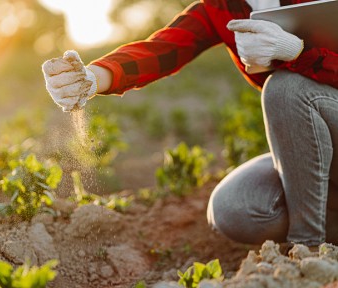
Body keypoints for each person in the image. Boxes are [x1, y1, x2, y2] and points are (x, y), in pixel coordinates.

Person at [42, 0, 338, 248]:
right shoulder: (221, 7)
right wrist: (92, 78)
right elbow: (162, 49)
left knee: (286, 89)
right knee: (237, 208)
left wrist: (298, 52)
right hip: (318, 150)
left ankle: (308, 253)